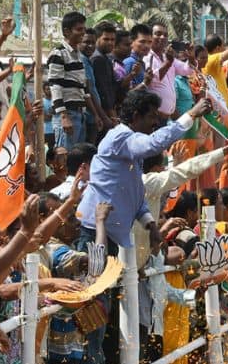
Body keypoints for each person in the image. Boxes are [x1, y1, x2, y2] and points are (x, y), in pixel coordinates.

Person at [76, 88, 213, 250]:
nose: (156, 123)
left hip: (113, 233)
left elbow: (134, 191)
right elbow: (153, 144)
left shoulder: (131, 148)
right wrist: (190, 115)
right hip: (95, 230)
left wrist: (151, 225)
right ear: (136, 116)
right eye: (151, 117)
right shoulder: (120, 137)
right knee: (95, 274)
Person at [48, 11, 90, 147]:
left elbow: (83, 87)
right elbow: (55, 85)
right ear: (66, 31)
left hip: (80, 113)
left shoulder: (78, 55)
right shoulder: (59, 53)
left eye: (84, 29)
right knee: (64, 158)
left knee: (76, 157)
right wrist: (64, 116)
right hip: (68, 114)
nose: (83, 33)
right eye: (79, 29)